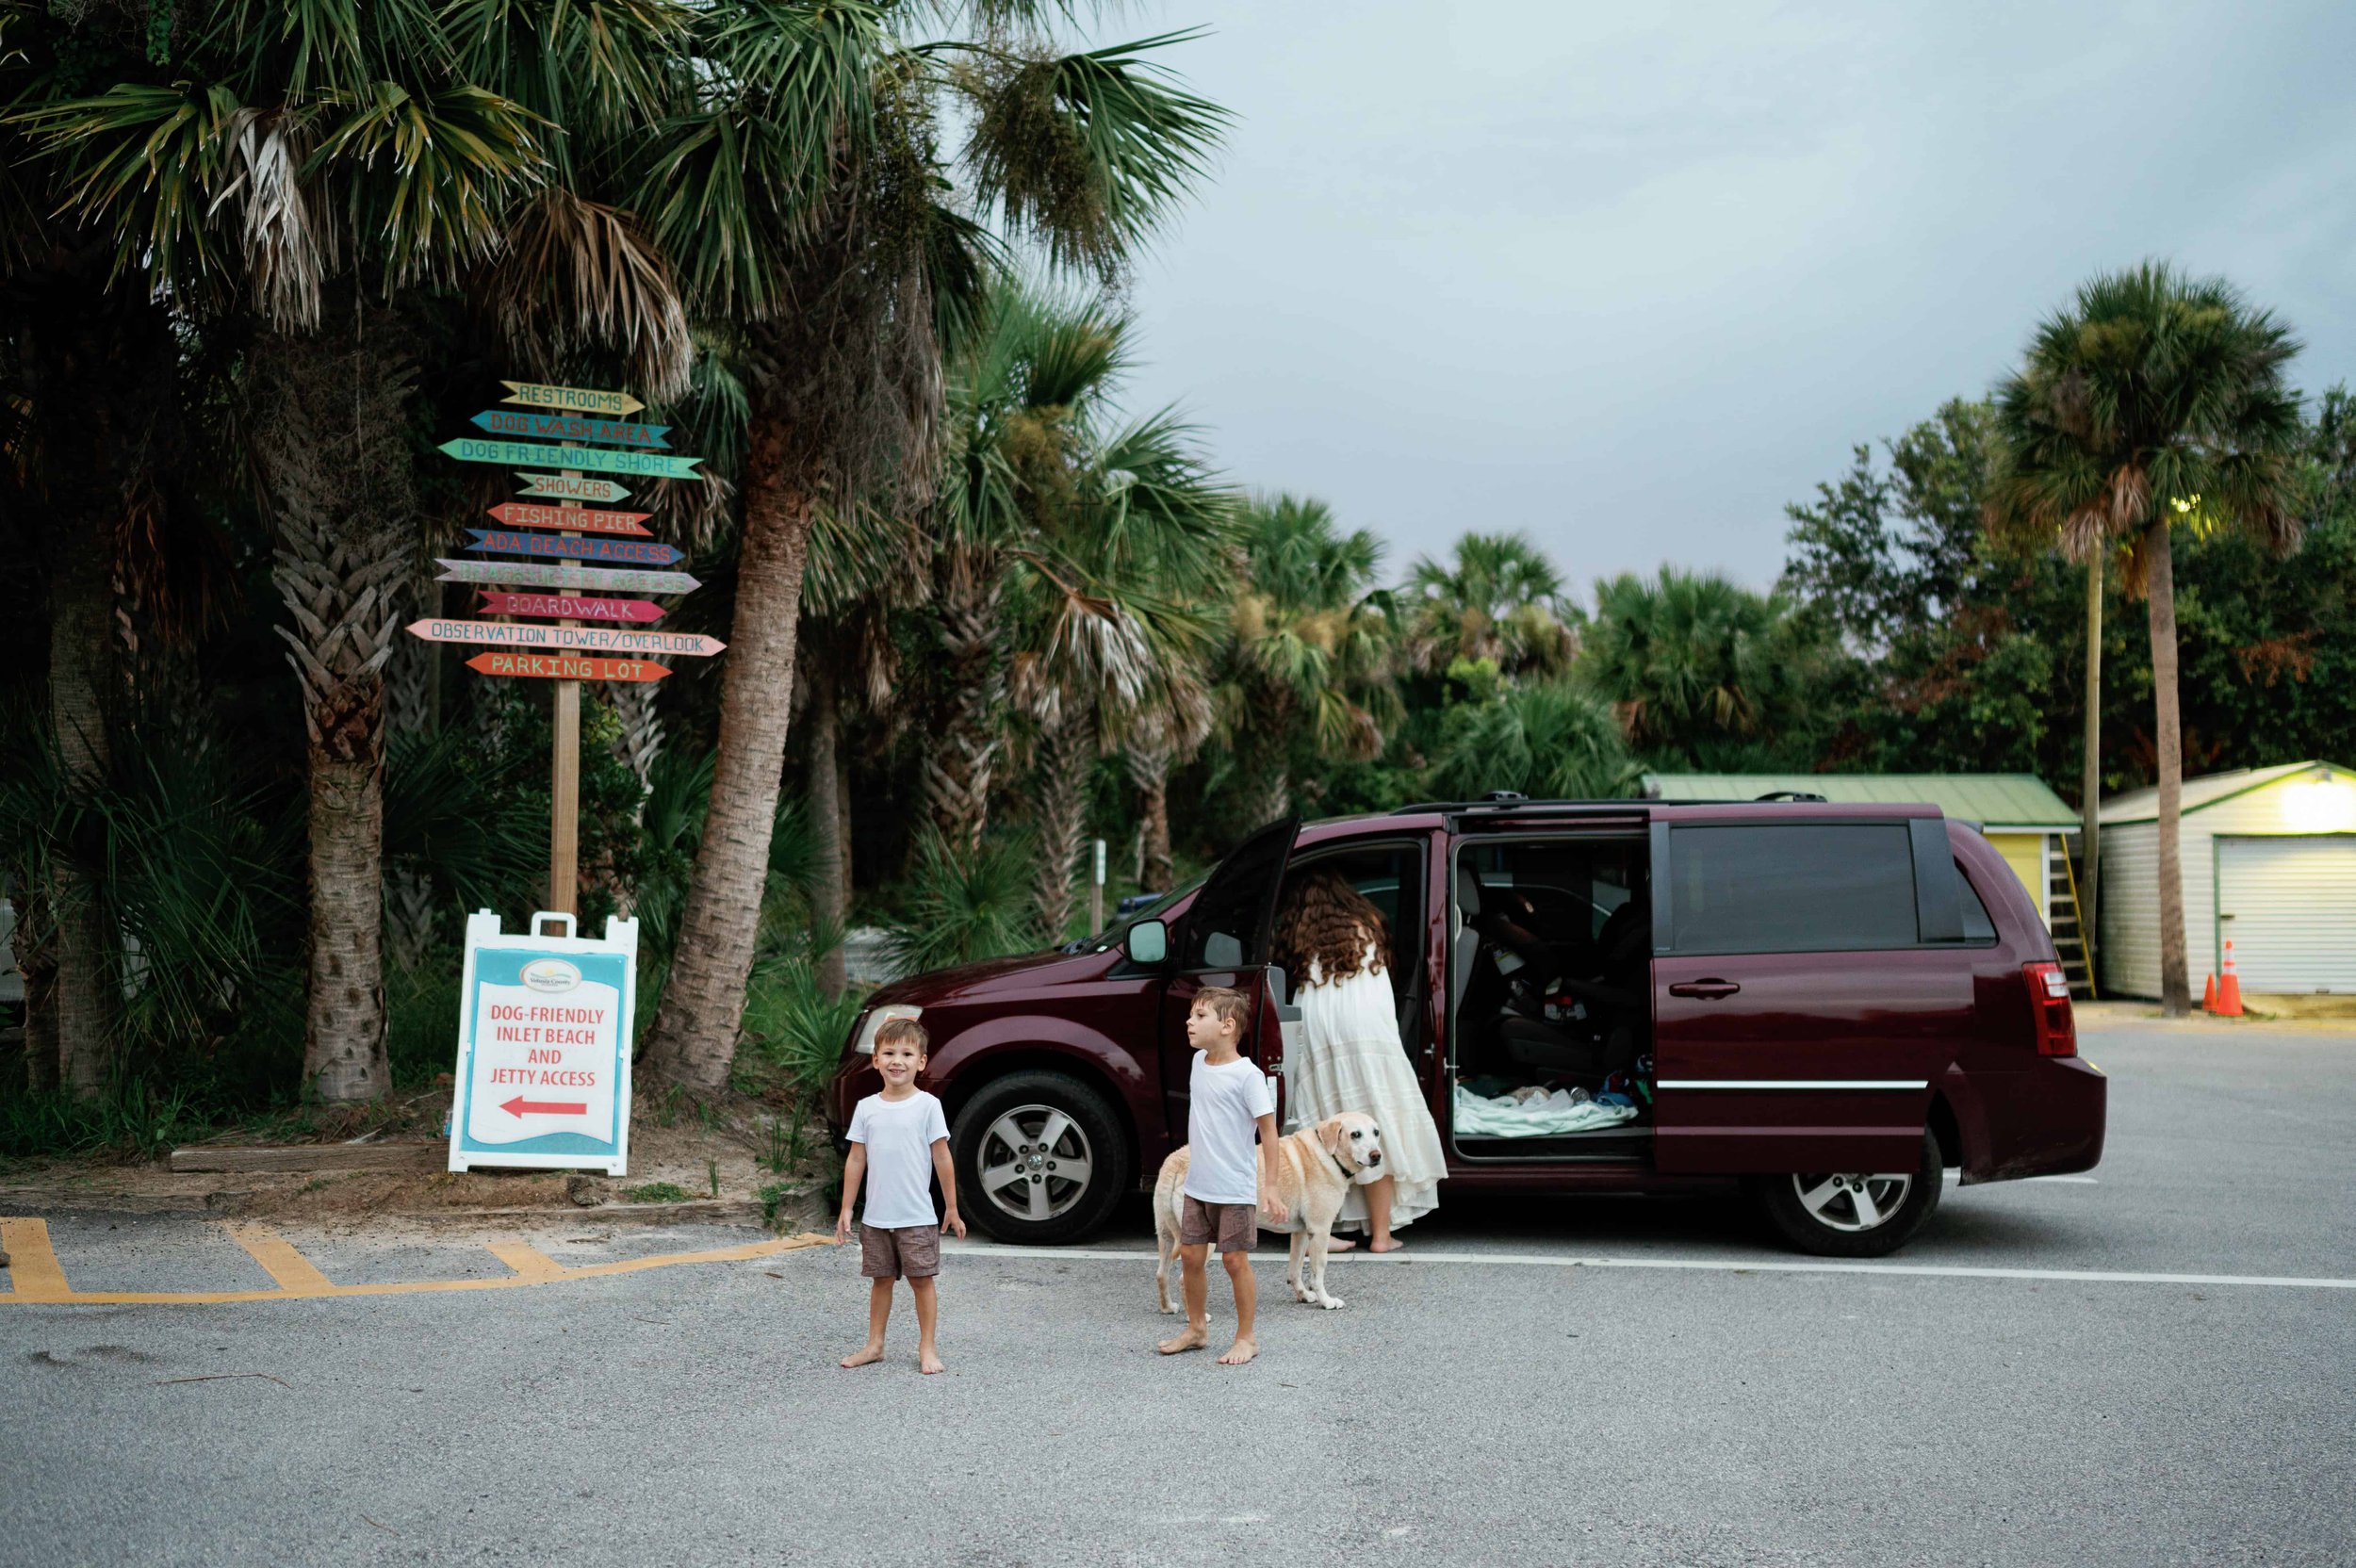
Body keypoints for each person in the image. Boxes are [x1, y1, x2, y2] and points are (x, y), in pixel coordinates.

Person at [1272, 869, 1447, 1252]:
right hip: (1369, 1033)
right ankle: (1382, 1236)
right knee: (1373, 1123)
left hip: (1321, 1033)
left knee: (1327, 1132)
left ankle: (1324, 1232)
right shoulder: (1366, 925)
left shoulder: (1300, 936)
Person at [1156, 986, 1287, 1365]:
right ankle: (1197, 1329)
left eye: (1200, 1016)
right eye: (1192, 1015)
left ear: (1228, 1026)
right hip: (1198, 1185)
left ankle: (1247, 1337)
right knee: (1192, 1258)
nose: (1190, 1021)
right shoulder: (1199, 1062)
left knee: (1234, 1261)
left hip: (1234, 1187)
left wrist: (1272, 1187)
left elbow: (1269, 1130)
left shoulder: (1248, 1076)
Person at [836, 1018, 966, 1374]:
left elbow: (942, 1157)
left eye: (907, 1053)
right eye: (889, 1052)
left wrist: (951, 1207)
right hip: (877, 1217)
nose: (898, 1060)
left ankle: (927, 1347)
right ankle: (875, 1345)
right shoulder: (866, 1108)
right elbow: (856, 1158)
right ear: (875, 1060)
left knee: (921, 1282)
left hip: (917, 1216)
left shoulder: (927, 1106)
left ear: (921, 1062)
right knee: (880, 1281)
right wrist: (847, 1208)